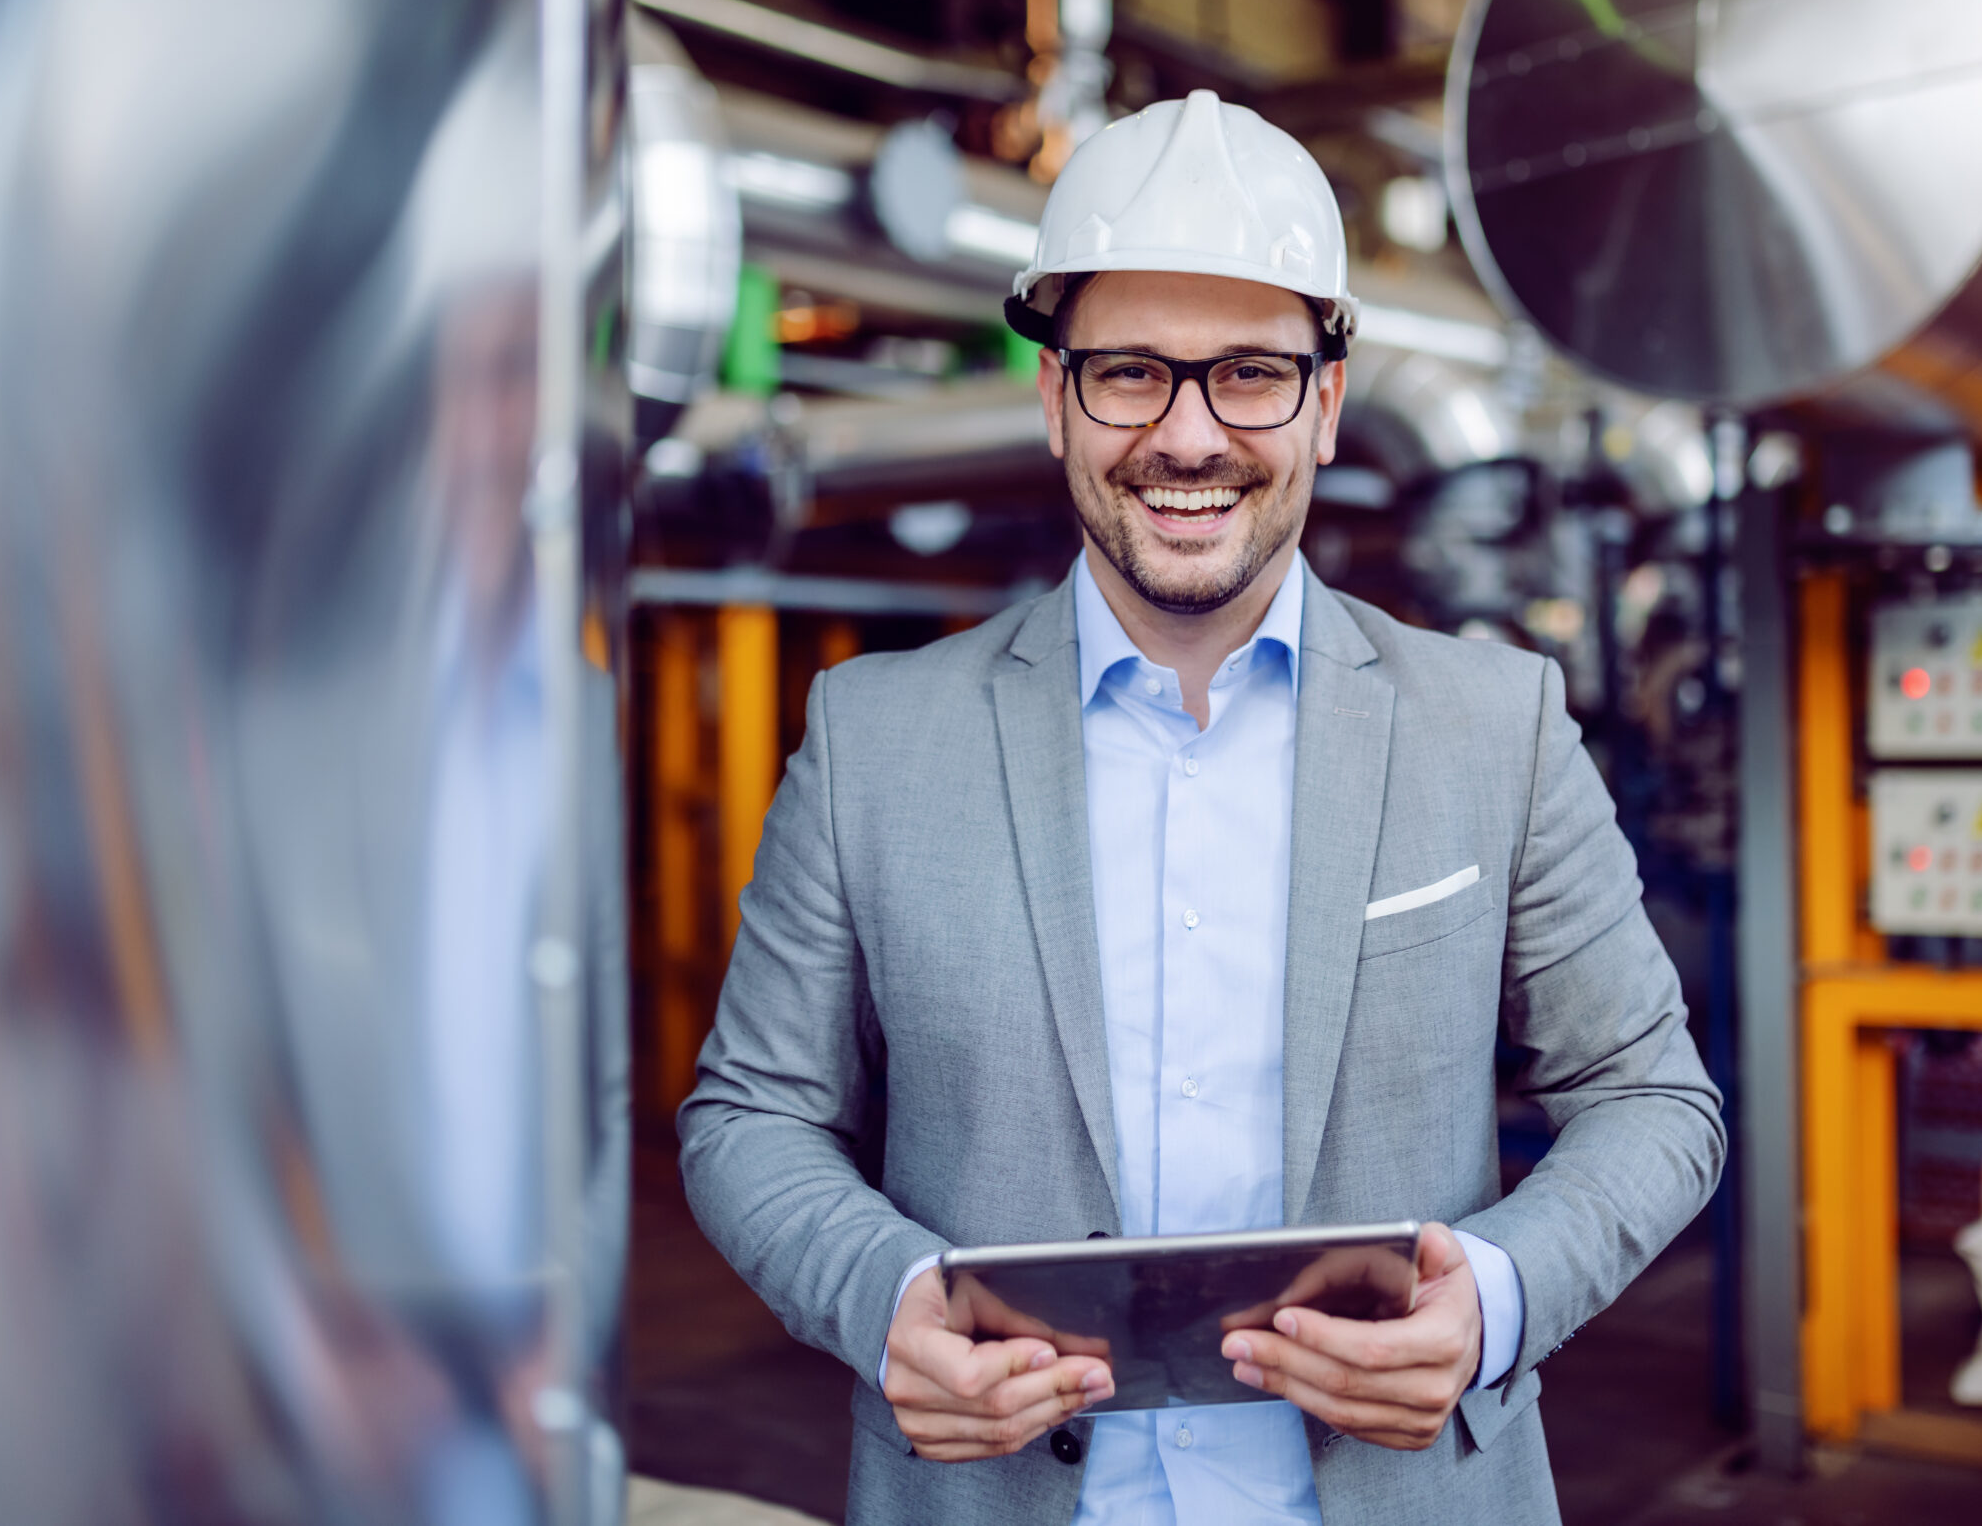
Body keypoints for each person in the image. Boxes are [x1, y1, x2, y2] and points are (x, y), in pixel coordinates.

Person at [679, 90, 1724, 1525]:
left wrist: (1492, 1300)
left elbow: (1651, 1097)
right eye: (1129, 374)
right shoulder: (874, 739)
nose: (1187, 437)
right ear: (1053, 399)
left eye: (1248, 374)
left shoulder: (1496, 727)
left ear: (1328, 406)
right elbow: (751, 1115)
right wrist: (888, 1298)